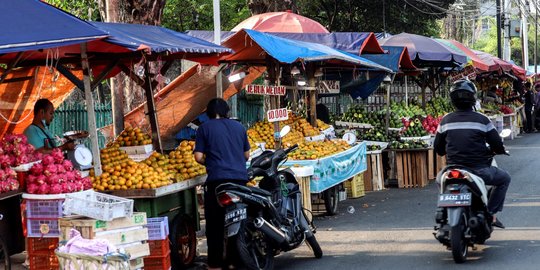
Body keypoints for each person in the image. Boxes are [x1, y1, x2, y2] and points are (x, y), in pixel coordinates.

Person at [433, 79, 511, 229]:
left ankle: (443, 212)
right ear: (473, 98)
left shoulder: (445, 121)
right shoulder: (482, 120)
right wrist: (499, 150)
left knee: (439, 181)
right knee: (504, 178)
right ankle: (491, 214)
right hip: (479, 170)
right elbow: (496, 143)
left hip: (452, 170)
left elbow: (439, 148)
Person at [193, 98, 250, 270]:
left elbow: (198, 157)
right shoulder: (239, 127)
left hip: (217, 181)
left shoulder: (204, 128)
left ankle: (215, 264)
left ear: (208, 113)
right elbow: (246, 155)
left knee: (215, 224)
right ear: (227, 111)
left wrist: (210, 162)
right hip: (240, 181)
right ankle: (235, 261)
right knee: (238, 220)